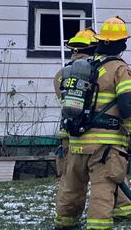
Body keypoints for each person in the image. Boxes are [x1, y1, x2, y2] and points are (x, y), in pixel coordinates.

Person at [54, 17, 131, 229]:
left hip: (77, 140)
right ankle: (98, 225)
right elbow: (129, 104)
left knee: (72, 184)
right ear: (122, 45)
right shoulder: (118, 69)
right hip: (105, 144)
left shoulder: (84, 67)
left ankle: (65, 221)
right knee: (103, 186)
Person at [53, 29, 98, 178]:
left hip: (68, 133)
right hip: (94, 135)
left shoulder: (63, 74)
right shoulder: (98, 71)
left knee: (69, 182)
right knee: (102, 181)